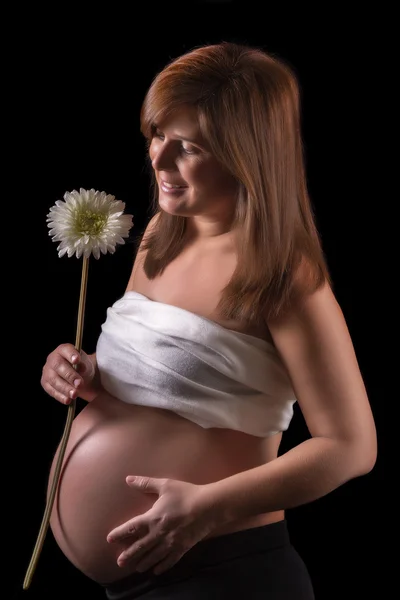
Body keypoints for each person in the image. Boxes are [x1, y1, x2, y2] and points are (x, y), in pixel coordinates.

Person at [40, 41, 377, 600]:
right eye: (157, 135)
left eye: (189, 147)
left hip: (224, 572)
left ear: (248, 154)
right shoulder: (158, 235)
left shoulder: (281, 275)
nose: (160, 160)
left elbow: (350, 445)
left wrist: (207, 506)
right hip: (139, 583)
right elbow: (165, 384)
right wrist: (85, 373)